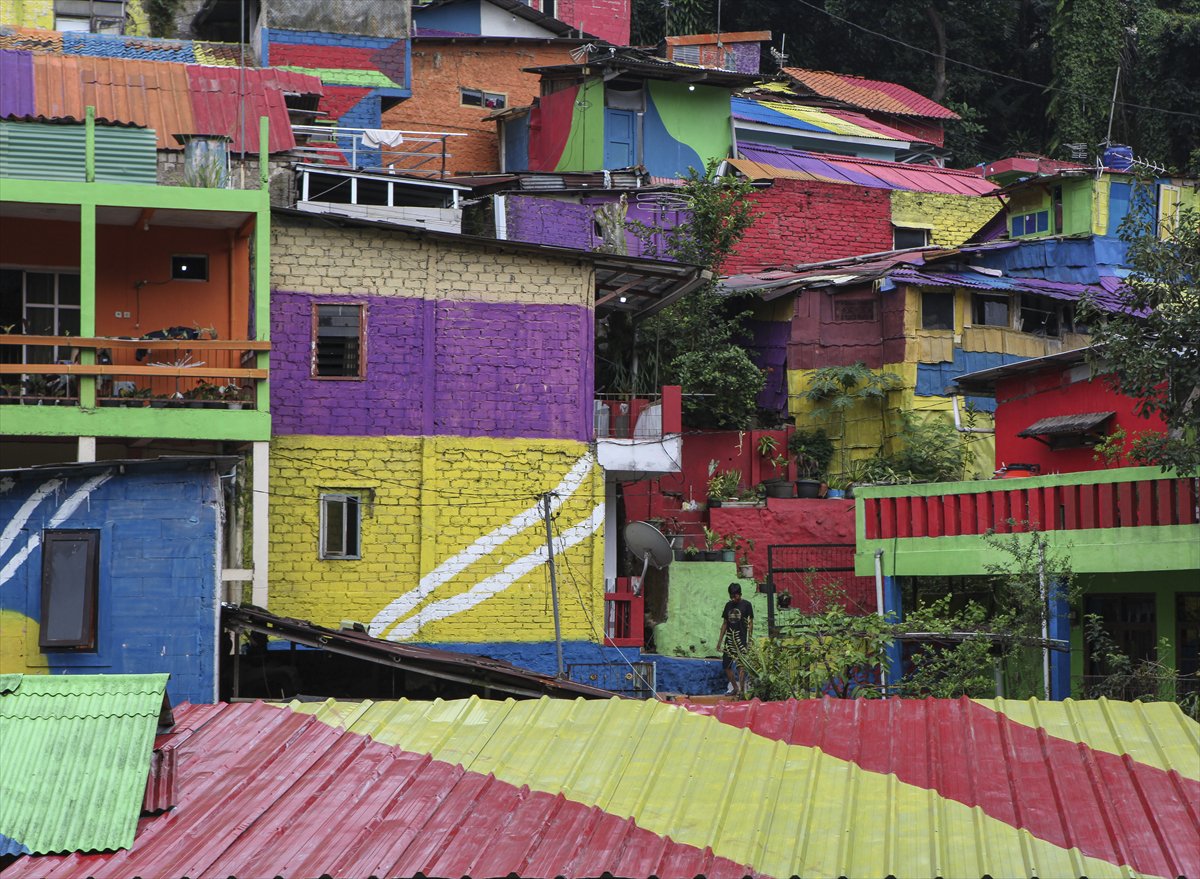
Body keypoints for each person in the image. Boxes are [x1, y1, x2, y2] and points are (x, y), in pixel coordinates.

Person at [718, 582, 753, 697]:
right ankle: (735, 688)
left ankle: (742, 691)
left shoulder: (747, 605)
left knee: (741, 667)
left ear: (740, 594)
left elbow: (750, 623)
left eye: (735, 596)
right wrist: (719, 641)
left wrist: (750, 639)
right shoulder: (728, 606)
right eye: (731, 596)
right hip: (729, 641)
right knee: (726, 666)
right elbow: (724, 624)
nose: (733, 598)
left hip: (741, 641)